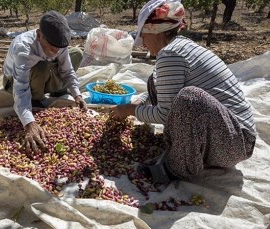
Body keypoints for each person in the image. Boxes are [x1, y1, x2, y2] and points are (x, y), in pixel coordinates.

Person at [110, 0, 257, 183]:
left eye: (144, 37)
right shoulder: (178, 47)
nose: (144, 45)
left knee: (190, 98)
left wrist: (129, 111)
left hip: (234, 143)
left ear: (156, 32)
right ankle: (186, 148)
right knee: (154, 80)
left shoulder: (171, 54)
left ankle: (176, 170)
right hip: (227, 134)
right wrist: (138, 102)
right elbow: (164, 90)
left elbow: (165, 114)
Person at [3, 10, 87, 153]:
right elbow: (20, 88)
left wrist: (77, 94)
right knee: (41, 67)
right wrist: (29, 123)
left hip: (43, 72)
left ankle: (55, 88)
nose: (56, 51)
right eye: (51, 46)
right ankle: (36, 100)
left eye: (59, 47)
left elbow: (67, 71)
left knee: (76, 53)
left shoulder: (59, 45)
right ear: (39, 34)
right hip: (15, 81)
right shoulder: (23, 48)